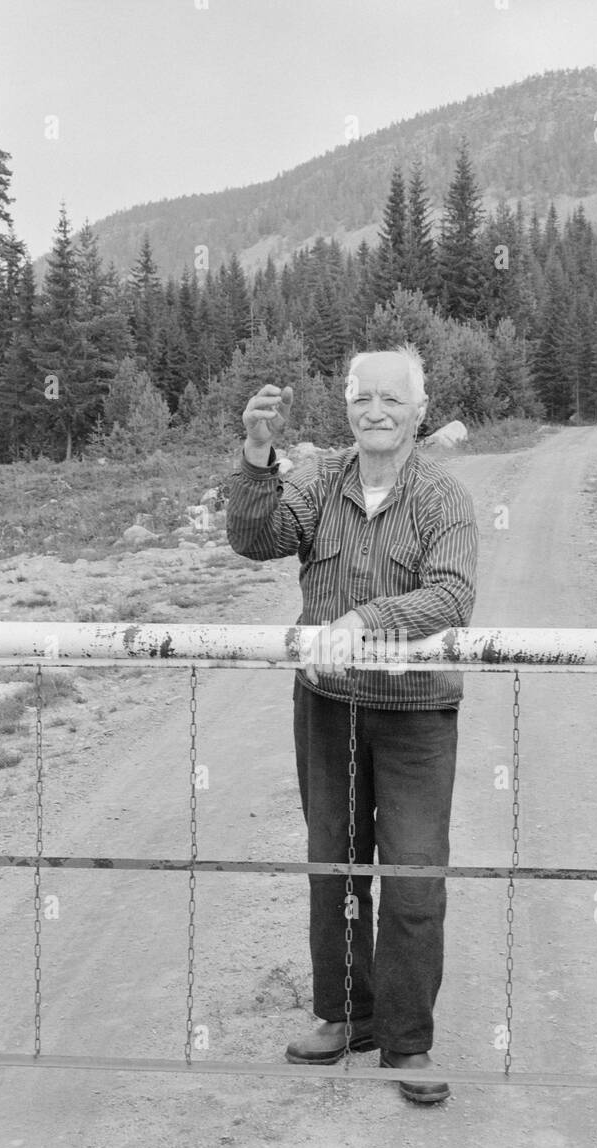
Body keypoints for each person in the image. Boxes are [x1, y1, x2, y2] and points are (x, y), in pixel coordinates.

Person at [226, 346, 478, 1103]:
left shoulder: (442, 497)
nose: (375, 411)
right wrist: (257, 453)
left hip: (414, 715)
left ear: (418, 411)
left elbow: (451, 598)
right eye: (363, 398)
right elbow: (253, 540)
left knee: (411, 877)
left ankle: (406, 1045)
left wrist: (363, 619)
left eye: (391, 400)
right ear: (347, 408)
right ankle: (345, 1016)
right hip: (329, 708)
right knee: (334, 865)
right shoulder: (318, 480)